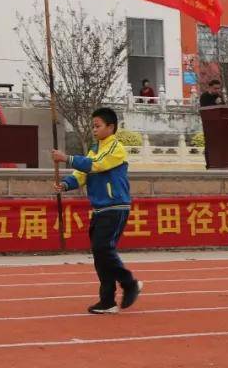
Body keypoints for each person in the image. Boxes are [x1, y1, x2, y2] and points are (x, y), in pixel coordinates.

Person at [51, 107, 142, 314]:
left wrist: (66, 158)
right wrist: (65, 184)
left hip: (115, 206)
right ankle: (107, 300)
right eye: (93, 126)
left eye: (98, 126)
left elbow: (97, 166)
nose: (94, 129)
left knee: (103, 249)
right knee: (100, 254)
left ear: (111, 127)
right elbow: (82, 174)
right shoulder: (94, 149)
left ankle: (129, 283)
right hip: (100, 208)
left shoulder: (115, 148)